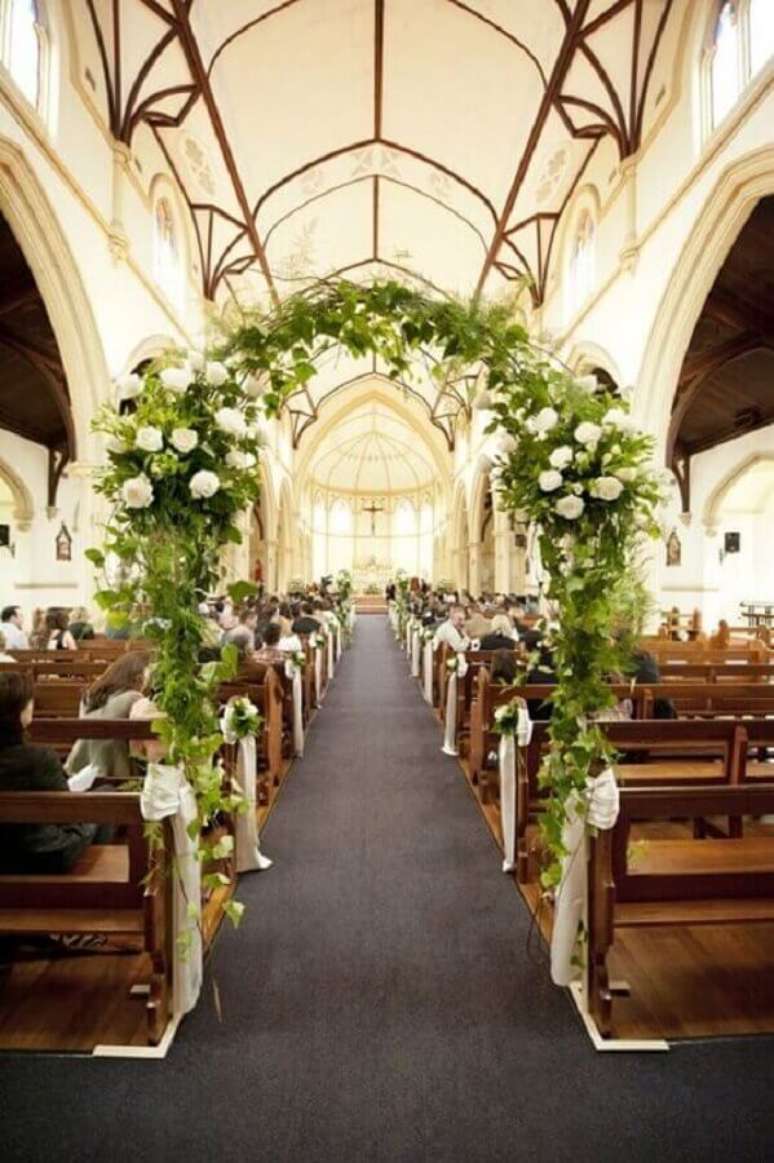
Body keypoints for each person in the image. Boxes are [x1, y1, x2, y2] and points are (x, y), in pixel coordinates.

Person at [0, 671, 107, 873]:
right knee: (106, 800)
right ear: (18, 712)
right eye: (29, 701)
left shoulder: (34, 757)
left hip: (6, 851)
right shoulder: (38, 758)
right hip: (40, 854)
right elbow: (67, 814)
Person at [65, 650, 151, 783]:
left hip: (78, 767)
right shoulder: (134, 698)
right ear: (139, 676)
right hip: (114, 771)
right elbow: (141, 749)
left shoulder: (90, 695)